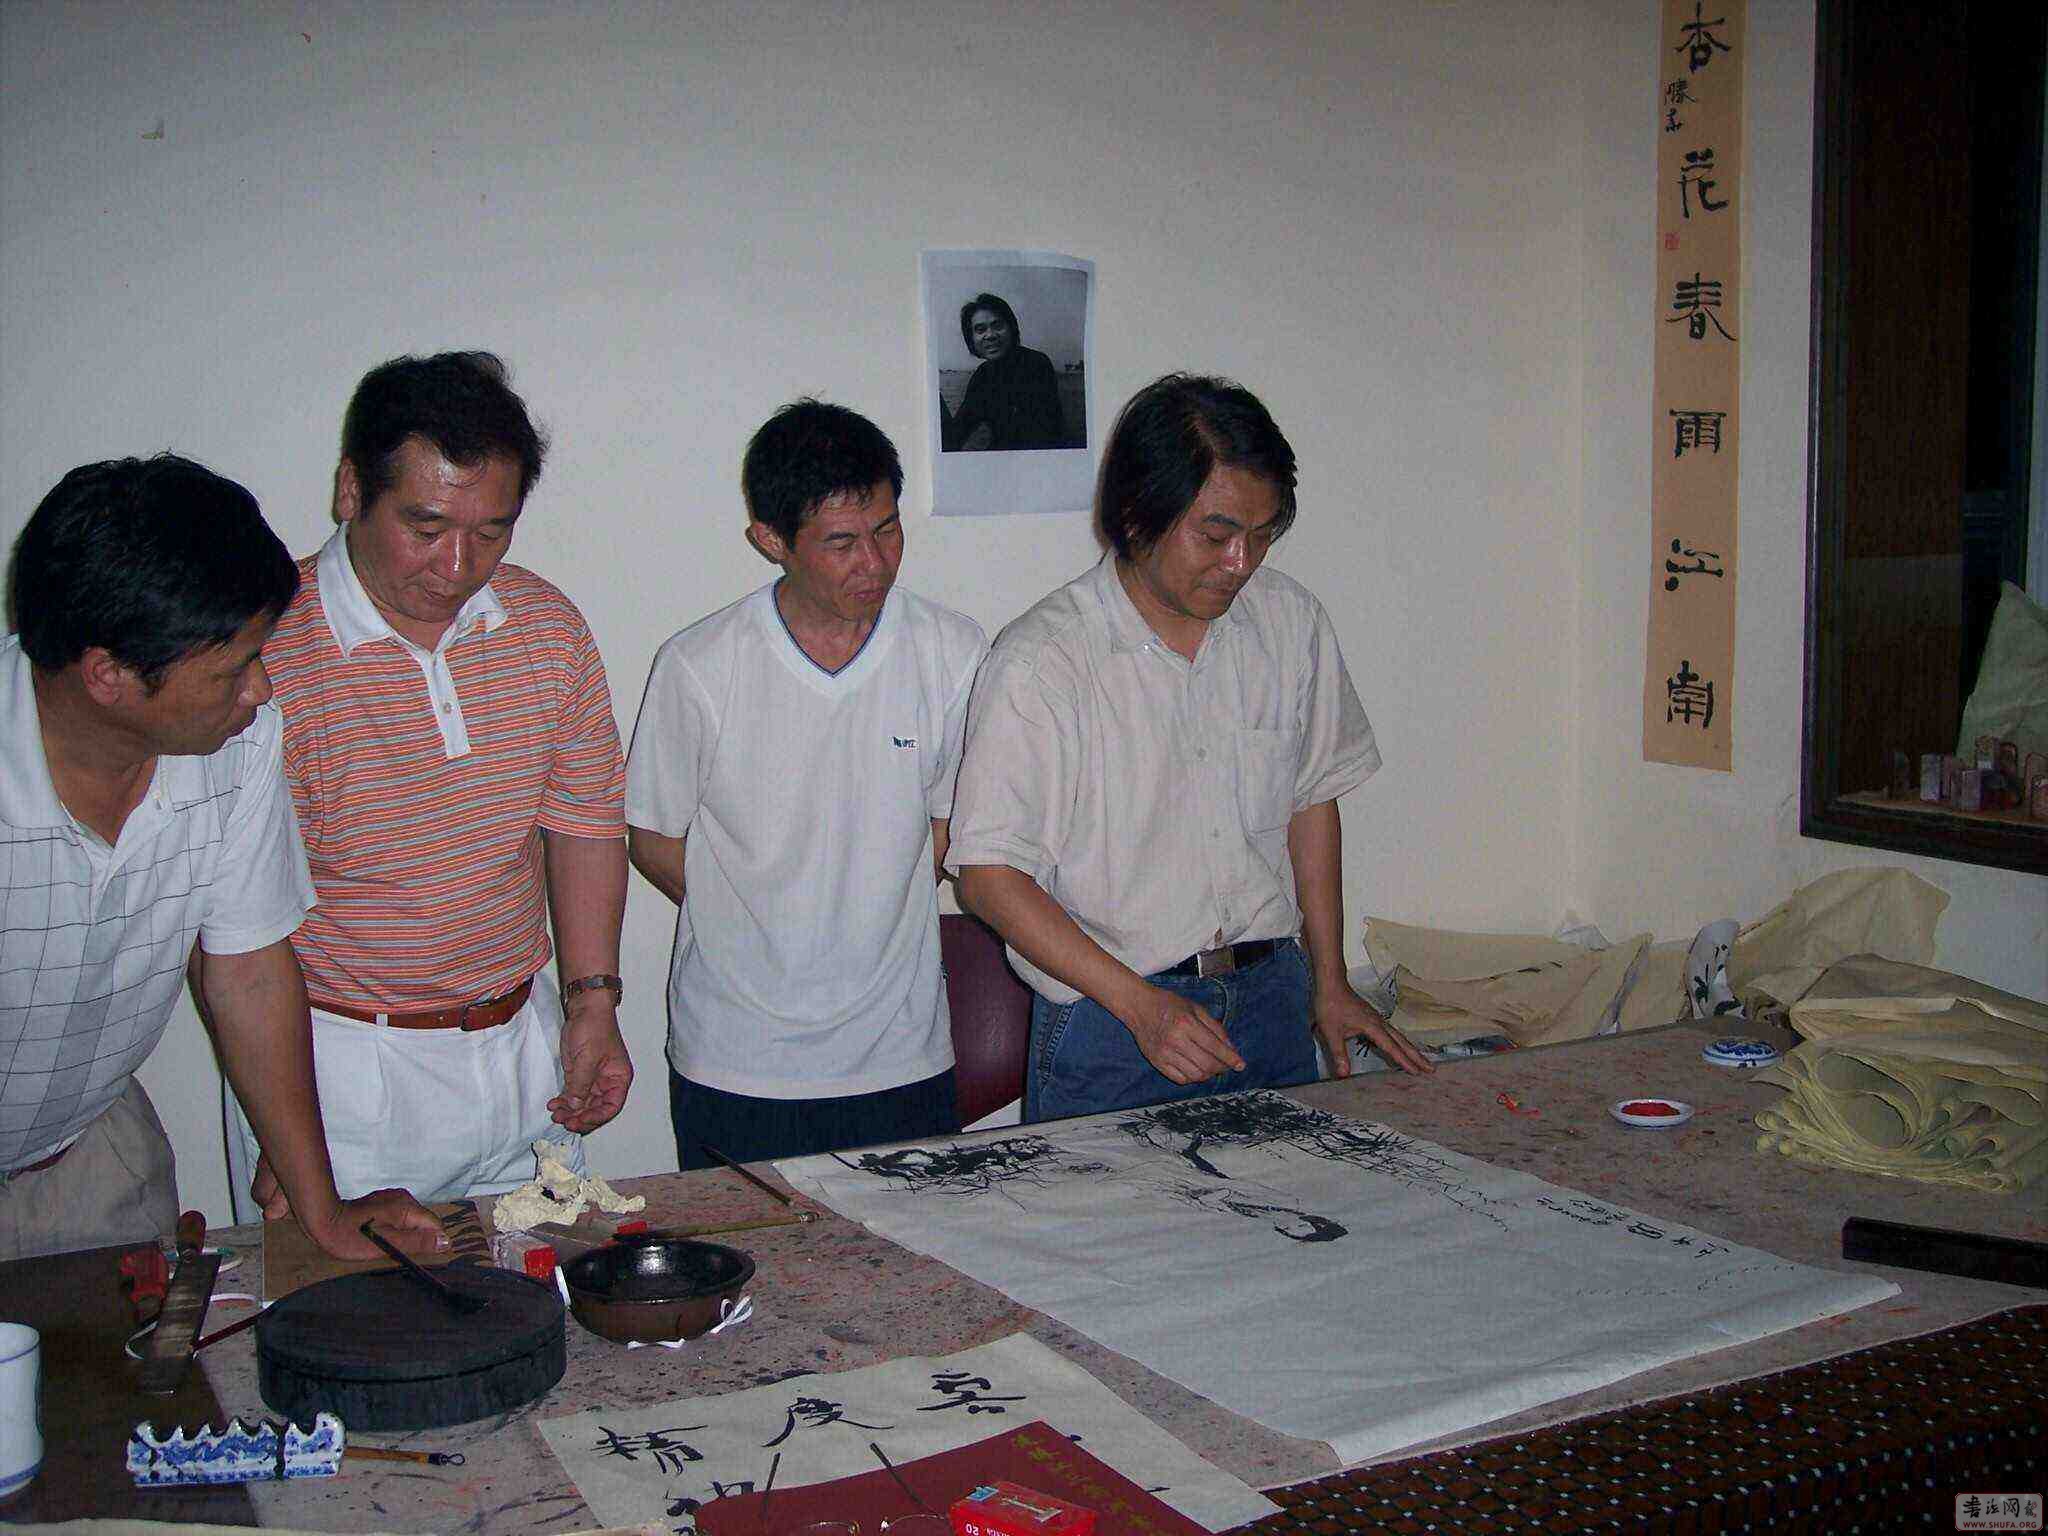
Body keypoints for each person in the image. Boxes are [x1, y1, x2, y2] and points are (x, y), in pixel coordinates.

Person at [948, 374, 1434, 1122]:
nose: (1242, 562)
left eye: (1262, 535)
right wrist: (1142, 1008)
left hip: (1272, 998)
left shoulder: (1289, 623)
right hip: (1112, 1021)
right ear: (1137, 513)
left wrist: (1330, 982)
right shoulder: (1046, 660)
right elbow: (989, 877)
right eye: (1216, 535)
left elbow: (1311, 802)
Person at [1, 456, 443, 1261]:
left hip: (86, 1149)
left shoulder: (236, 745)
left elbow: (247, 970)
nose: (261, 690)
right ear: (107, 675)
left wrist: (324, 1211)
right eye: (233, 668)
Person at [222, 351, 631, 1216]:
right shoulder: (260, 654)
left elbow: (586, 824)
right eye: (426, 525)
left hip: (522, 1047)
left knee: (536, 1291)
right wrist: (285, 1128)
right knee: (347, 1303)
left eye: (492, 532)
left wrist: (593, 1004)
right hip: (340, 1069)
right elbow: (233, 930)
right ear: (350, 490)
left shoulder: (546, 627)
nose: (457, 565)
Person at [626, 400, 987, 1168]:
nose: (876, 562)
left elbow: (950, 825)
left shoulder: (952, 650)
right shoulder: (701, 665)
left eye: (887, 529)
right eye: (841, 543)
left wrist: (862, 910)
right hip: (737, 1059)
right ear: (771, 541)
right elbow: (653, 838)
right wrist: (763, 916)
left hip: (901, 1053)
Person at [944, 293, 1070, 452]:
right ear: (971, 338)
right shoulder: (982, 375)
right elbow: (959, 430)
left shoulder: (1036, 364)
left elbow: (1037, 437)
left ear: (1011, 328)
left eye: (997, 326)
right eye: (980, 330)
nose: (990, 335)